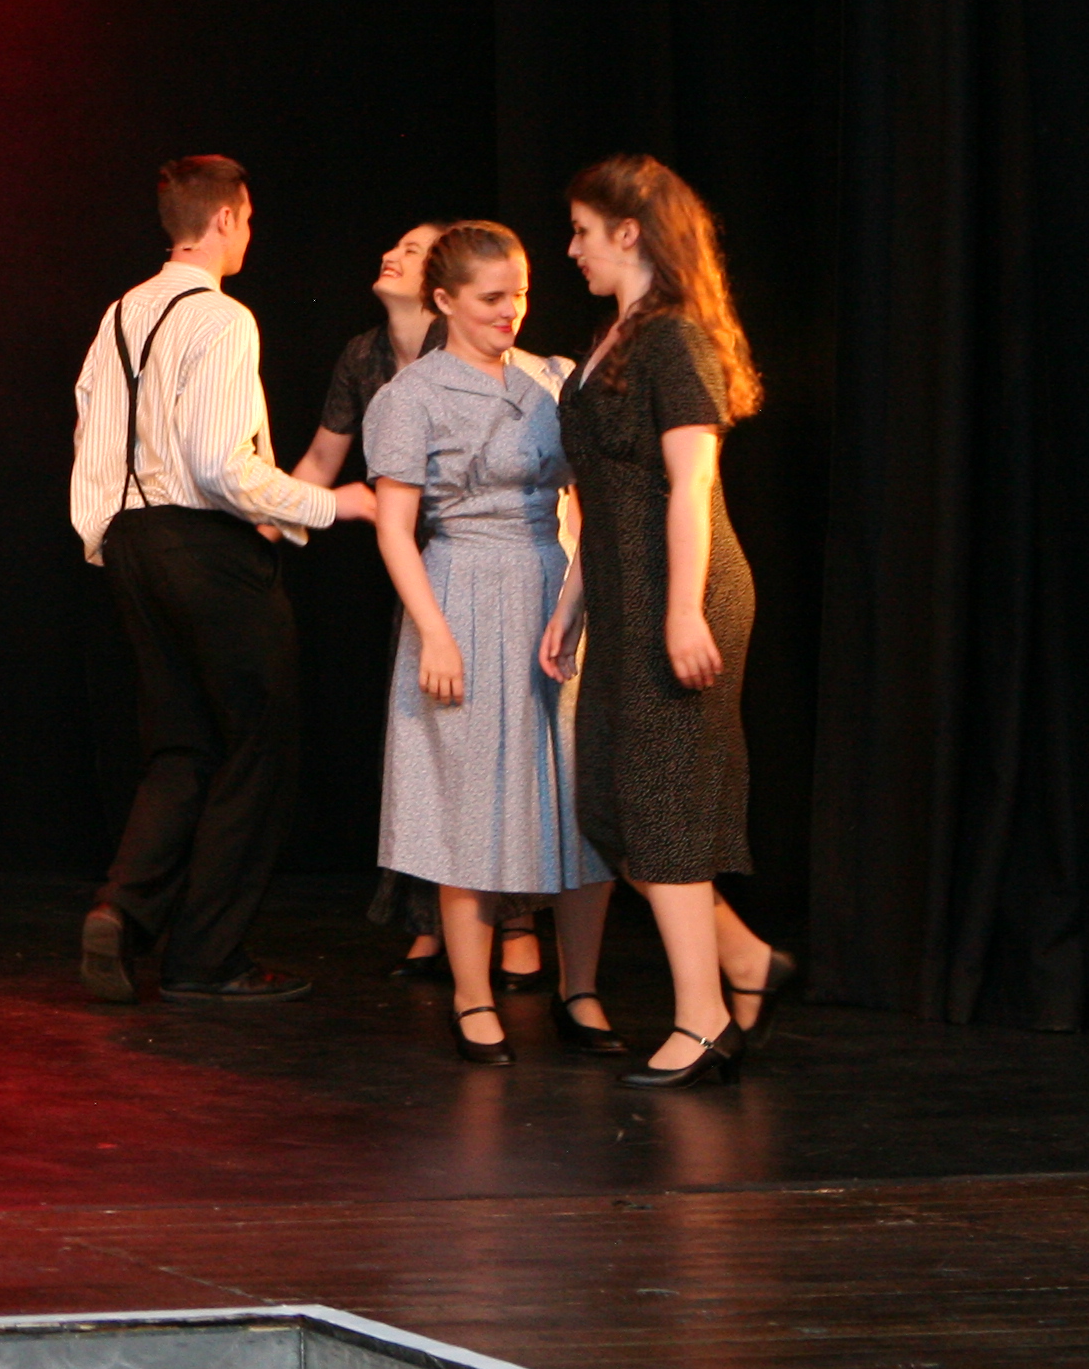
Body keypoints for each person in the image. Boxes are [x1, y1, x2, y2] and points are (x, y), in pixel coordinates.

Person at [67, 155, 381, 1007]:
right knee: (258, 745)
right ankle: (206, 957)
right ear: (226, 220)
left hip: (131, 544)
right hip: (203, 547)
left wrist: (109, 538)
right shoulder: (223, 317)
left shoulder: (121, 311)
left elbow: (93, 437)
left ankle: (123, 910)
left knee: (182, 744)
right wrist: (330, 503)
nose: (249, 234)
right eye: (247, 220)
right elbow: (217, 464)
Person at [544, 152, 794, 1089]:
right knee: (612, 805)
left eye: (582, 231)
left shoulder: (674, 339)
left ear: (630, 231)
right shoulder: (615, 337)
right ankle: (745, 960)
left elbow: (692, 484)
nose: (572, 249)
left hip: (683, 591)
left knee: (663, 804)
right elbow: (602, 497)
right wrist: (573, 603)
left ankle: (704, 1021)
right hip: (623, 594)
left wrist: (682, 612)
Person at [362, 222, 615, 1066]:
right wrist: (434, 632)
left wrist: (575, 598)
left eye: (522, 296)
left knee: (575, 791)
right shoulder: (412, 395)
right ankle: (473, 997)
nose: (512, 312)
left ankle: (581, 990)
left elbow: (588, 502)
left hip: (550, 590)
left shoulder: (553, 381)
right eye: (492, 299)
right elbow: (395, 529)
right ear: (444, 300)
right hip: (460, 592)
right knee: (464, 798)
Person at [285, 219, 535, 991]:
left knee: (501, 752)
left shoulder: (474, 351)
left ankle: (517, 926)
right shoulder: (365, 356)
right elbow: (322, 459)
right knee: (437, 751)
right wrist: (261, 516)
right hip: (424, 566)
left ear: (440, 285)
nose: (390, 254)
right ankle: (433, 923)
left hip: (494, 563)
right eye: (391, 244)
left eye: (412, 248)